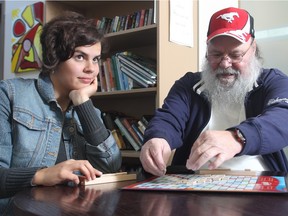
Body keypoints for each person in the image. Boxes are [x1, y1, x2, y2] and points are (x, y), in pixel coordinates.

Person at [140, 7, 288, 176]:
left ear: (253, 49)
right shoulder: (188, 85)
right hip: (194, 190)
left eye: (235, 55)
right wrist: (158, 138)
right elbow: (168, 118)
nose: (225, 64)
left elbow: (283, 116)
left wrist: (237, 137)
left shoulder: (273, 81)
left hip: (262, 186)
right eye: (216, 54)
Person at [0, 11, 122, 199]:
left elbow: (111, 166)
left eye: (95, 59)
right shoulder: (9, 95)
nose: (91, 68)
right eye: (80, 57)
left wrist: (82, 102)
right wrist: (41, 175)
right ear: (54, 58)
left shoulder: (87, 109)